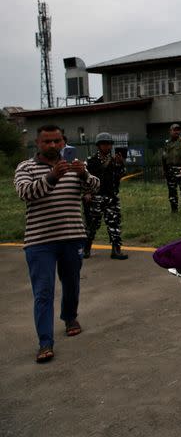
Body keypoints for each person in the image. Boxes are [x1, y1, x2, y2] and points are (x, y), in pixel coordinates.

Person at [14, 124, 100, 363]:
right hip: (40, 241)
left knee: (72, 283)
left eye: (57, 141)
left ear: (63, 142)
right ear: (37, 144)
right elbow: (25, 193)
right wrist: (52, 177)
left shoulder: (75, 165)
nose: (52, 145)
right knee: (43, 291)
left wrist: (83, 174)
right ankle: (45, 342)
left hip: (72, 236)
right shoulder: (26, 167)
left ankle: (70, 316)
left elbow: (95, 187)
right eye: (47, 141)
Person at [85, 132, 128, 260]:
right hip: (96, 197)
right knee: (92, 224)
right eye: (104, 144)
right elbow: (85, 178)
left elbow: (120, 176)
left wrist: (120, 164)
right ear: (98, 146)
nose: (107, 146)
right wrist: (87, 192)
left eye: (109, 144)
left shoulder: (115, 160)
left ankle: (116, 250)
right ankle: (86, 249)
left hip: (112, 197)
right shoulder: (91, 161)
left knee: (114, 224)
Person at [162, 123, 181, 214]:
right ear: (170, 131)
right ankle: (174, 210)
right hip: (170, 169)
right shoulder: (167, 143)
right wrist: (164, 170)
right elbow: (164, 157)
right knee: (172, 190)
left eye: (178, 130)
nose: (177, 132)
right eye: (175, 130)